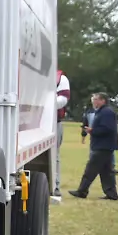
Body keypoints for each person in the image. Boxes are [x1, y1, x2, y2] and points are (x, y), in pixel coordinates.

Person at [70, 92, 118, 201]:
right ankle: (112, 194)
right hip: (103, 146)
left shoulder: (106, 113)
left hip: (103, 146)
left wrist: (93, 131)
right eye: (94, 99)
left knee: (90, 169)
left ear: (103, 101)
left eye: (96, 99)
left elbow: (108, 129)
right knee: (106, 172)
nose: (94, 101)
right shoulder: (101, 112)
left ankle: (82, 191)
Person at [53, 69, 70, 201]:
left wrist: (45, 104)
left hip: (53, 122)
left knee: (55, 156)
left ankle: (55, 186)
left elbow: (63, 99)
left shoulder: (61, 78)